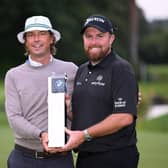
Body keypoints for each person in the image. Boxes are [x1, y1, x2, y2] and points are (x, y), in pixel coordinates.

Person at [57, 14, 140, 168]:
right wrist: (69, 107)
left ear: (111, 38)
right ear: (83, 39)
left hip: (115, 157)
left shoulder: (121, 69)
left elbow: (124, 117)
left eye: (100, 36)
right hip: (86, 157)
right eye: (89, 36)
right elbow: (87, 115)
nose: (94, 42)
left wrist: (84, 135)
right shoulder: (82, 70)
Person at [5, 15, 78, 168]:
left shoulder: (71, 70)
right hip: (23, 159)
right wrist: (41, 134)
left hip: (60, 159)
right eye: (31, 35)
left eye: (42, 33)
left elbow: (89, 105)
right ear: (25, 41)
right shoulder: (13, 75)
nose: (36, 39)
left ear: (52, 39)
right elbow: (14, 118)